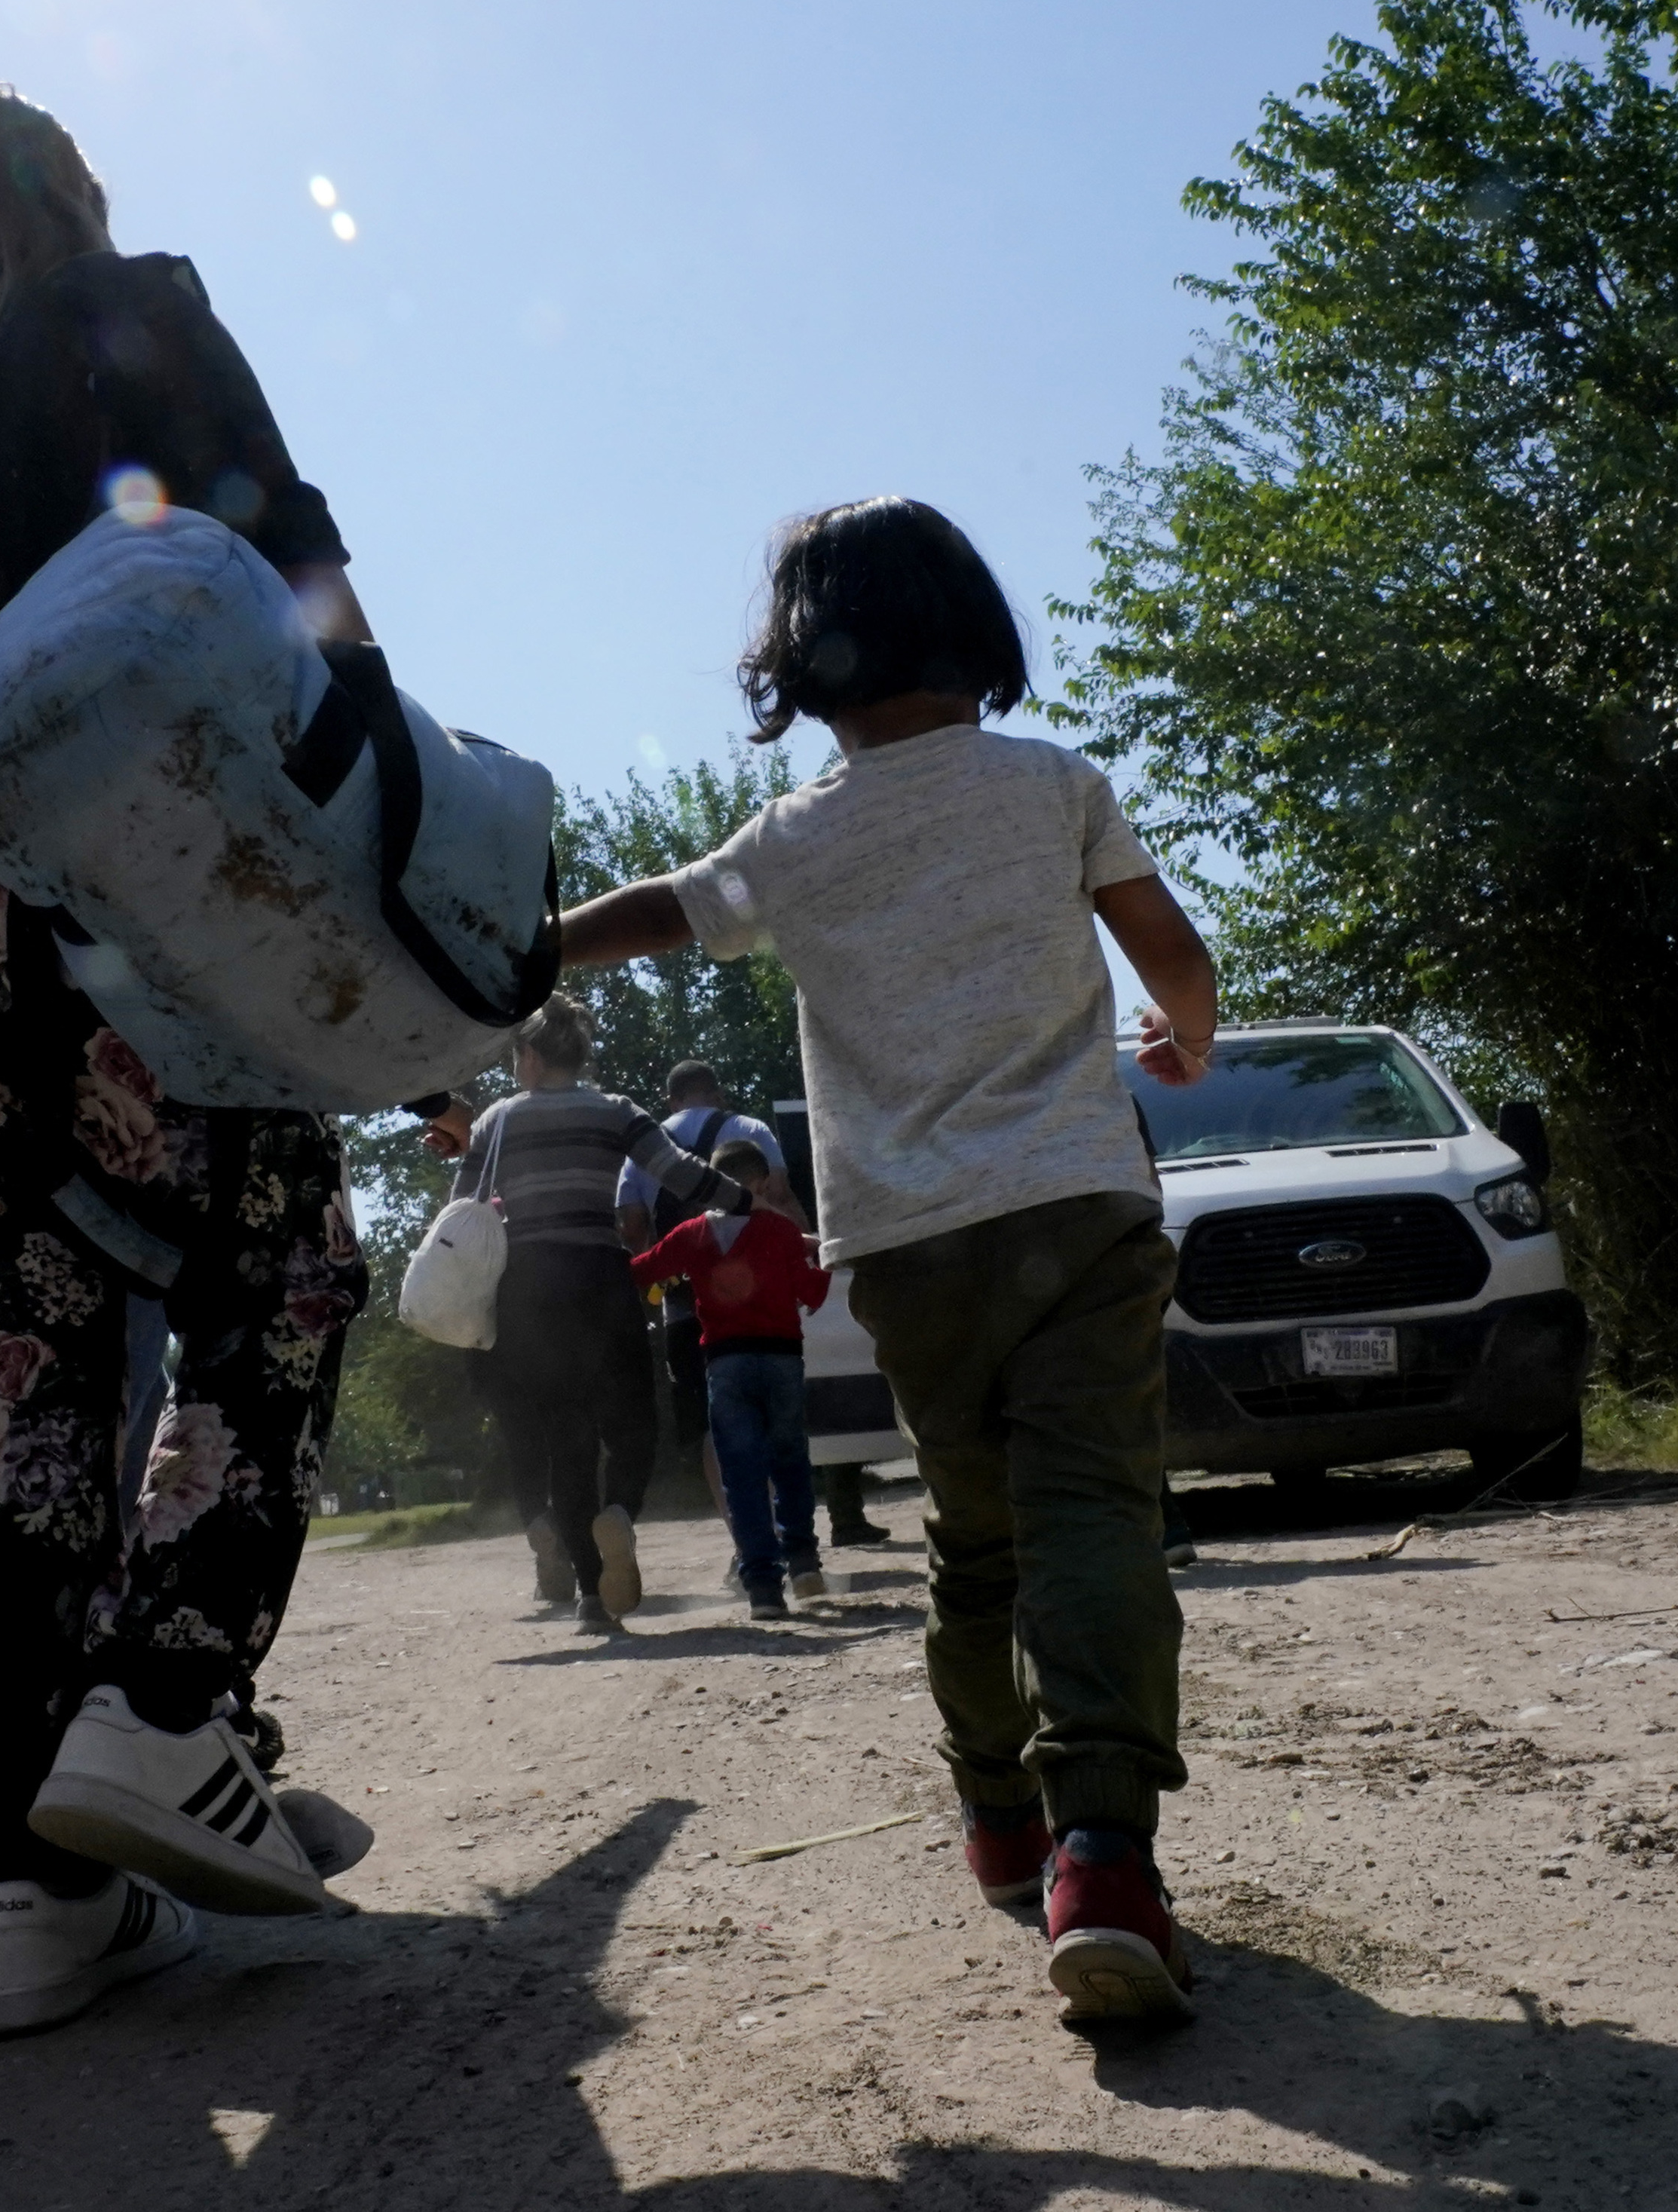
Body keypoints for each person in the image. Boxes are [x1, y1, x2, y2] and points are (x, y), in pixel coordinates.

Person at [0, 87, 373, 2037]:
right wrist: (371, 822)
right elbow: (303, 591)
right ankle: (173, 1703)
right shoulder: (126, 318)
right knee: (274, 1272)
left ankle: (42, 1894)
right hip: (89, 899)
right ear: (76, 207)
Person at [553, 495, 1220, 2029]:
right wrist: (1186, 1035)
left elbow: (662, 913)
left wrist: (522, 946)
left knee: (975, 1539)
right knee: (1095, 1518)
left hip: (911, 1248)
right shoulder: (1055, 786)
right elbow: (1167, 949)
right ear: (979, 632)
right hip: (1077, 1210)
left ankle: (999, 1819)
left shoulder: (795, 840)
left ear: (801, 660)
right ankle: (1104, 1860)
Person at [449, 994, 749, 1632]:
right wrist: (745, 1200)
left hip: (528, 1289)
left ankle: (591, 1598)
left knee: (567, 1439)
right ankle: (620, 1512)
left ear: (529, 1056)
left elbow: (463, 1212)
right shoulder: (617, 1111)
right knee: (635, 1417)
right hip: (600, 1276)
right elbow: (681, 1175)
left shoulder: (496, 1123)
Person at [629, 1138, 832, 1619]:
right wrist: (822, 1261)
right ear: (761, 1184)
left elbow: (641, 1272)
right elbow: (811, 1292)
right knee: (790, 1463)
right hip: (782, 1359)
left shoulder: (691, 1234)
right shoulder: (780, 1231)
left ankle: (763, 1588)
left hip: (726, 1364)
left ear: (707, 1188)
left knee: (741, 1475)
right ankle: (803, 1564)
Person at [613, 1062, 785, 1537]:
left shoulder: (642, 1149)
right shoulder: (749, 1130)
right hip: (760, 1299)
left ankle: (746, 1536)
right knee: (767, 1404)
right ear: (717, 1093)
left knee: (713, 1421)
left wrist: (653, 1279)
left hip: (686, 1306)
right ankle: (782, 1527)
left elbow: (632, 1229)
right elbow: (781, 1201)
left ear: (671, 1099)